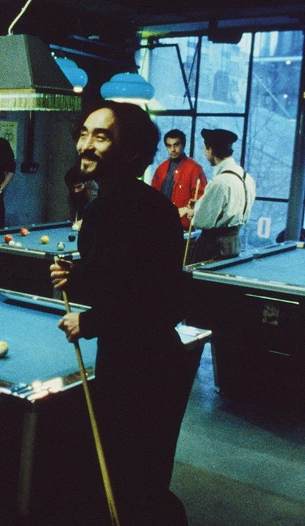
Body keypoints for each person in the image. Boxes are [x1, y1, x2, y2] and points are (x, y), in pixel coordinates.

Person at [49, 102, 197, 525]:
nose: (85, 145)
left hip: (152, 366)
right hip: (118, 360)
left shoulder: (152, 212)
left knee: (139, 482)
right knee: (113, 472)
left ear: (131, 151)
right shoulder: (98, 209)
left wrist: (89, 322)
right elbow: (116, 281)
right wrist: (77, 277)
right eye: (84, 133)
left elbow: (162, 302)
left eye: (101, 136)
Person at [188, 129, 256, 263]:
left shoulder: (219, 182)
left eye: (205, 148)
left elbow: (201, 221)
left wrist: (193, 212)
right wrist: (201, 204)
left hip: (213, 247)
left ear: (211, 150)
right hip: (234, 245)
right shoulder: (248, 178)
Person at [150, 129, 207, 229]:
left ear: (183, 145)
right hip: (161, 222)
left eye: (176, 145)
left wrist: (187, 209)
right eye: (169, 146)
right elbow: (153, 195)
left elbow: (201, 198)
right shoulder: (161, 168)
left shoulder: (195, 169)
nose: (173, 149)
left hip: (183, 226)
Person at [64, 165, 98, 230]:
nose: (76, 191)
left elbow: (95, 210)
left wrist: (84, 221)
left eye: (79, 187)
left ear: (86, 183)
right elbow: (74, 208)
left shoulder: (92, 188)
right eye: (72, 187)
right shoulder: (73, 190)